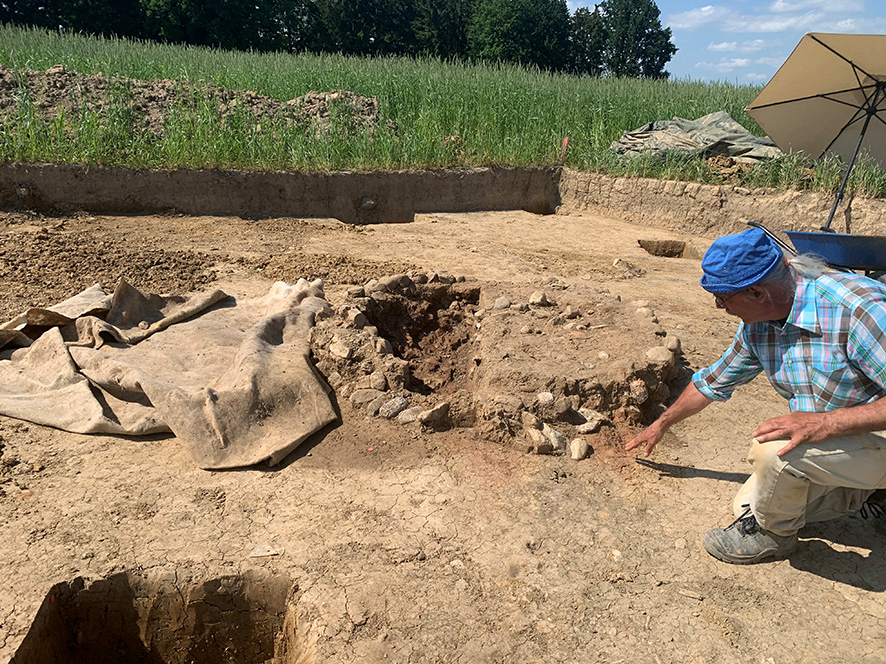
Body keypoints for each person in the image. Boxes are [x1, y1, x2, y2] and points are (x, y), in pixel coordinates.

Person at [626, 227, 886, 564]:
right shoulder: (759, 325)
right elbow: (714, 381)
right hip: (849, 438)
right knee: (751, 505)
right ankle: (867, 492)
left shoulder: (857, 309)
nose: (720, 307)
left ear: (757, 293)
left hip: (871, 433)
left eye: (723, 298)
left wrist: (823, 424)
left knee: (774, 454)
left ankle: (773, 538)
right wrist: (662, 423)